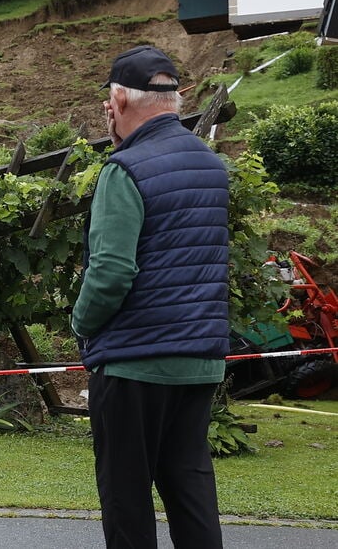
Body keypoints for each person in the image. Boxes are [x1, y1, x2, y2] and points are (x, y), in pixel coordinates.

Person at [71, 45, 229, 548]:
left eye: (107, 103)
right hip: (200, 359)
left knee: (126, 498)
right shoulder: (210, 164)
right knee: (190, 488)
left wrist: (82, 325)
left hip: (135, 362)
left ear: (118, 100)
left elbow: (112, 272)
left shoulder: (126, 169)